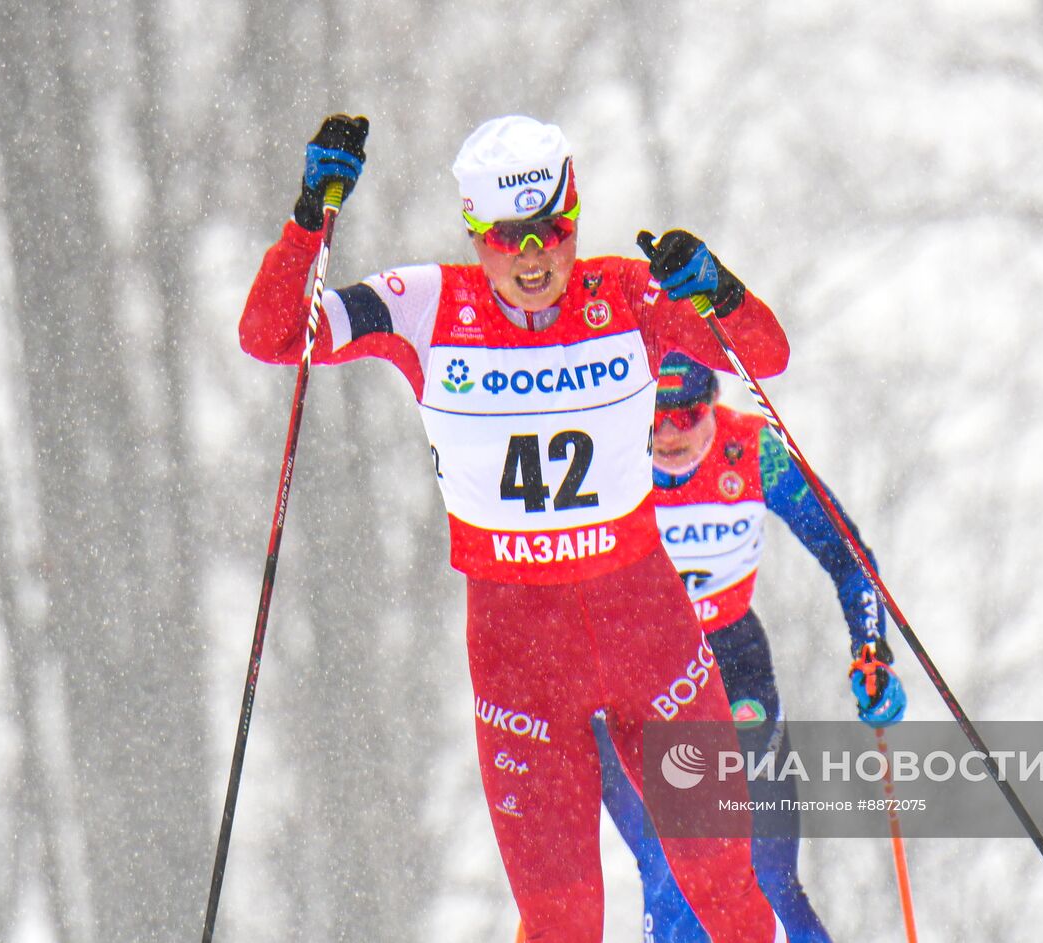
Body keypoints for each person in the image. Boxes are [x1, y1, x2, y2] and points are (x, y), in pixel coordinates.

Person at [239, 114, 793, 942]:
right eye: (508, 238)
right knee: (562, 917)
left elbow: (766, 356)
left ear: (574, 217)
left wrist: (717, 286)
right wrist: (308, 218)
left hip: (648, 632)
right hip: (520, 659)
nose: (533, 258)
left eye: (551, 231)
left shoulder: (629, 295)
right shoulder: (427, 305)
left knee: (726, 884)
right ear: (474, 230)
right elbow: (273, 334)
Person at [592, 352, 907, 942]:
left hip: (732, 662)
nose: (669, 436)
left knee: (767, 877)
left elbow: (848, 557)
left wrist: (871, 650)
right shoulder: (604, 454)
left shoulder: (756, 451)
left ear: (713, 404)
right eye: (653, 419)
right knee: (670, 870)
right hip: (632, 674)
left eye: (686, 416)